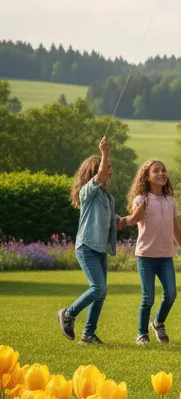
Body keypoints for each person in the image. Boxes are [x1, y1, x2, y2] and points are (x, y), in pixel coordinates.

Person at [122, 159, 181, 345]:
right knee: (148, 298)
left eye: (163, 170)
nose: (161, 173)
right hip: (145, 256)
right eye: (156, 171)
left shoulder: (171, 201)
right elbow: (133, 219)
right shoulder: (141, 200)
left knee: (171, 294)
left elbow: (176, 230)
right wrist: (127, 218)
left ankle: (158, 323)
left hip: (165, 257)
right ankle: (142, 334)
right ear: (147, 176)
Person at [58, 137, 121, 345]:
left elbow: (111, 221)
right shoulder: (87, 191)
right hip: (87, 247)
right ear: (95, 172)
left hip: (100, 249)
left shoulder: (107, 197)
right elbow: (100, 175)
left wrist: (127, 219)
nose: (110, 170)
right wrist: (105, 153)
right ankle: (68, 314)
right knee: (98, 289)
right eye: (107, 166)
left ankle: (88, 335)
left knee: (101, 293)